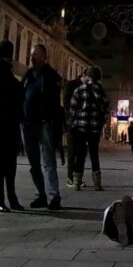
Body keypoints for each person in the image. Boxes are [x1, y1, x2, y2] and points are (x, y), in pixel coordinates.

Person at [21, 44, 63, 210]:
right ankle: (41, 194)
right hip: (27, 123)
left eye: (36, 55)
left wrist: (54, 122)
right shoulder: (28, 75)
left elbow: (54, 102)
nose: (32, 57)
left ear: (44, 57)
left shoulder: (51, 75)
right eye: (32, 54)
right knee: (33, 162)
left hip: (45, 123)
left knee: (48, 161)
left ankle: (54, 196)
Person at [68, 66, 109, 191]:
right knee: (94, 154)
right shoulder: (102, 91)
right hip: (95, 129)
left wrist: (73, 121)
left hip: (80, 128)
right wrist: (101, 122)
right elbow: (106, 109)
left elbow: (73, 109)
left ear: (88, 76)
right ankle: (97, 184)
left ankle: (76, 183)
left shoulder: (79, 89)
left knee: (80, 154)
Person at [0, 41, 23, 211]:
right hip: (10, 126)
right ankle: (12, 198)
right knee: (10, 166)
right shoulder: (11, 78)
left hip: (6, 125)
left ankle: (2, 200)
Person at [62, 73, 83, 189]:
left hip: (81, 123)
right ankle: (70, 177)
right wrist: (69, 117)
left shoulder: (85, 87)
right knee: (72, 151)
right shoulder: (71, 85)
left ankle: (78, 178)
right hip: (73, 122)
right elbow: (66, 102)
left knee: (81, 152)